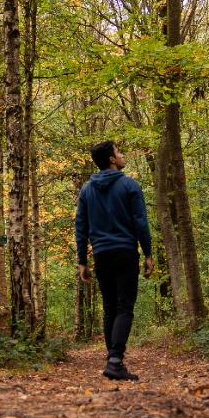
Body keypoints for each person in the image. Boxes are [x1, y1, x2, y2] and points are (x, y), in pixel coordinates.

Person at [75, 140, 154, 381]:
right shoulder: (129, 185)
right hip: (125, 252)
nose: (121, 155)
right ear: (111, 159)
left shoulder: (87, 190)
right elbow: (140, 221)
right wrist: (148, 254)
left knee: (110, 307)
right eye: (119, 152)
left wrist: (83, 261)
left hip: (101, 254)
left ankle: (112, 360)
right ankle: (115, 360)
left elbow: (81, 226)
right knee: (124, 307)